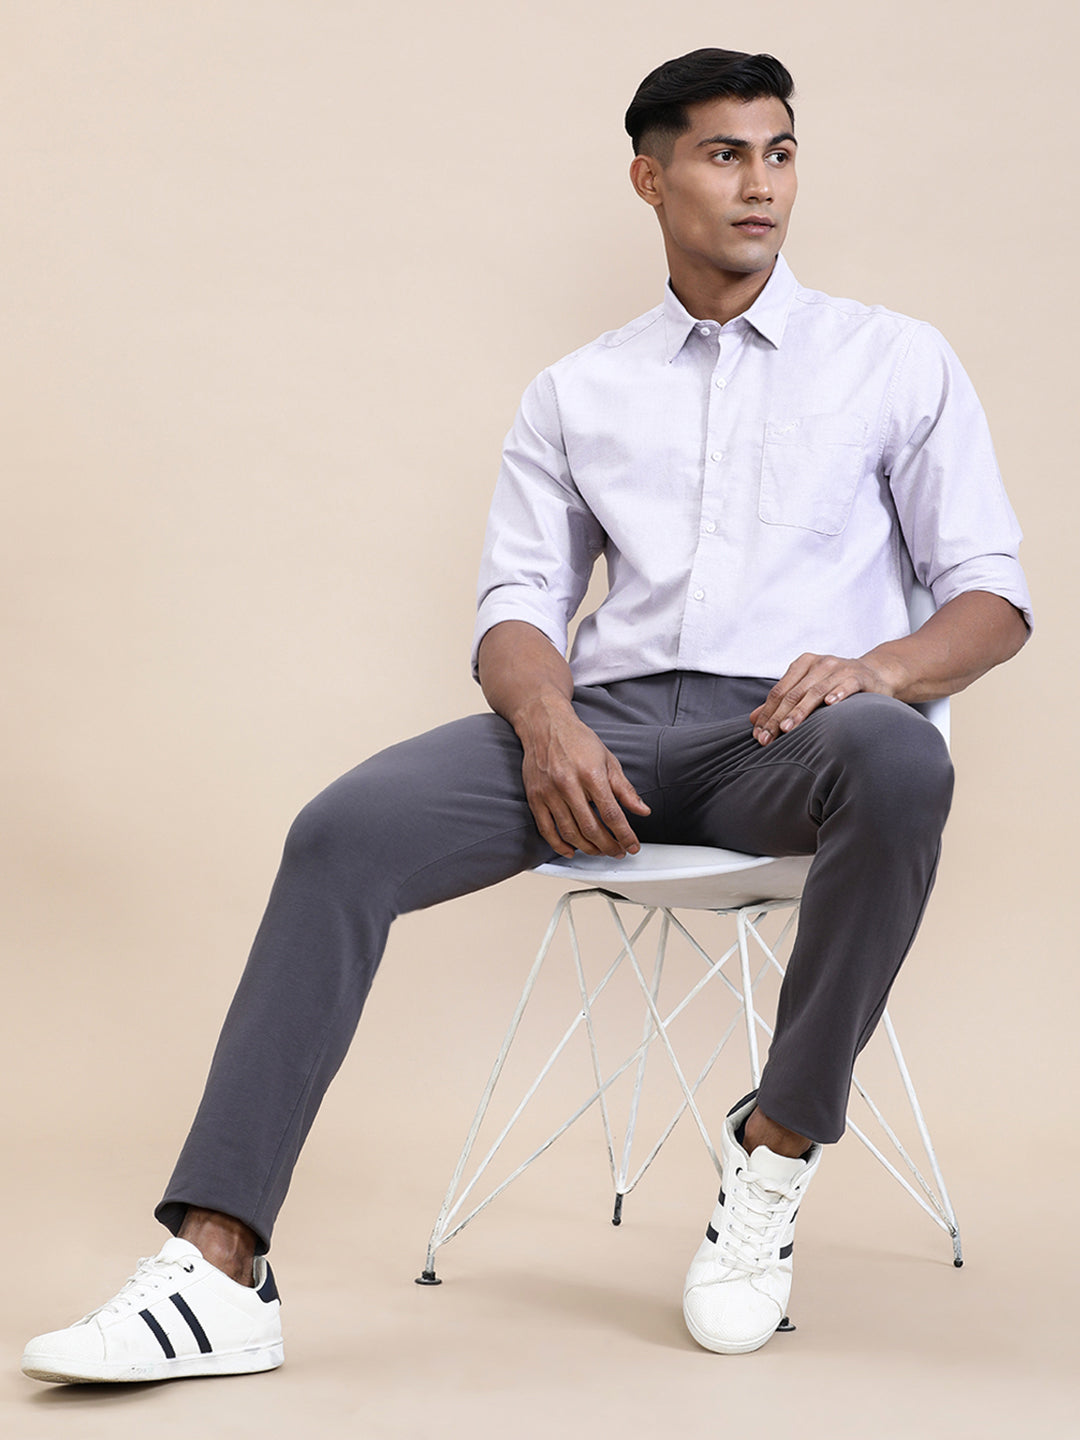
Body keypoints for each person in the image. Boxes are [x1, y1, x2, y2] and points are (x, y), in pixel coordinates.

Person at [22, 46, 1031, 1380]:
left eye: (780, 153)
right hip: (602, 733)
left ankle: (776, 1146)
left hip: (788, 740)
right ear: (650, 178)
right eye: (725, 154)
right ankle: (220, 1268)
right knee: (339, 833)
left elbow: (992, 597)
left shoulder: (893, 361)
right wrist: (548, 721)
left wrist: (885, 669)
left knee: (900, 765)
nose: (762, 184)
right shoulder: (580, 389)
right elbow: (518, 602)